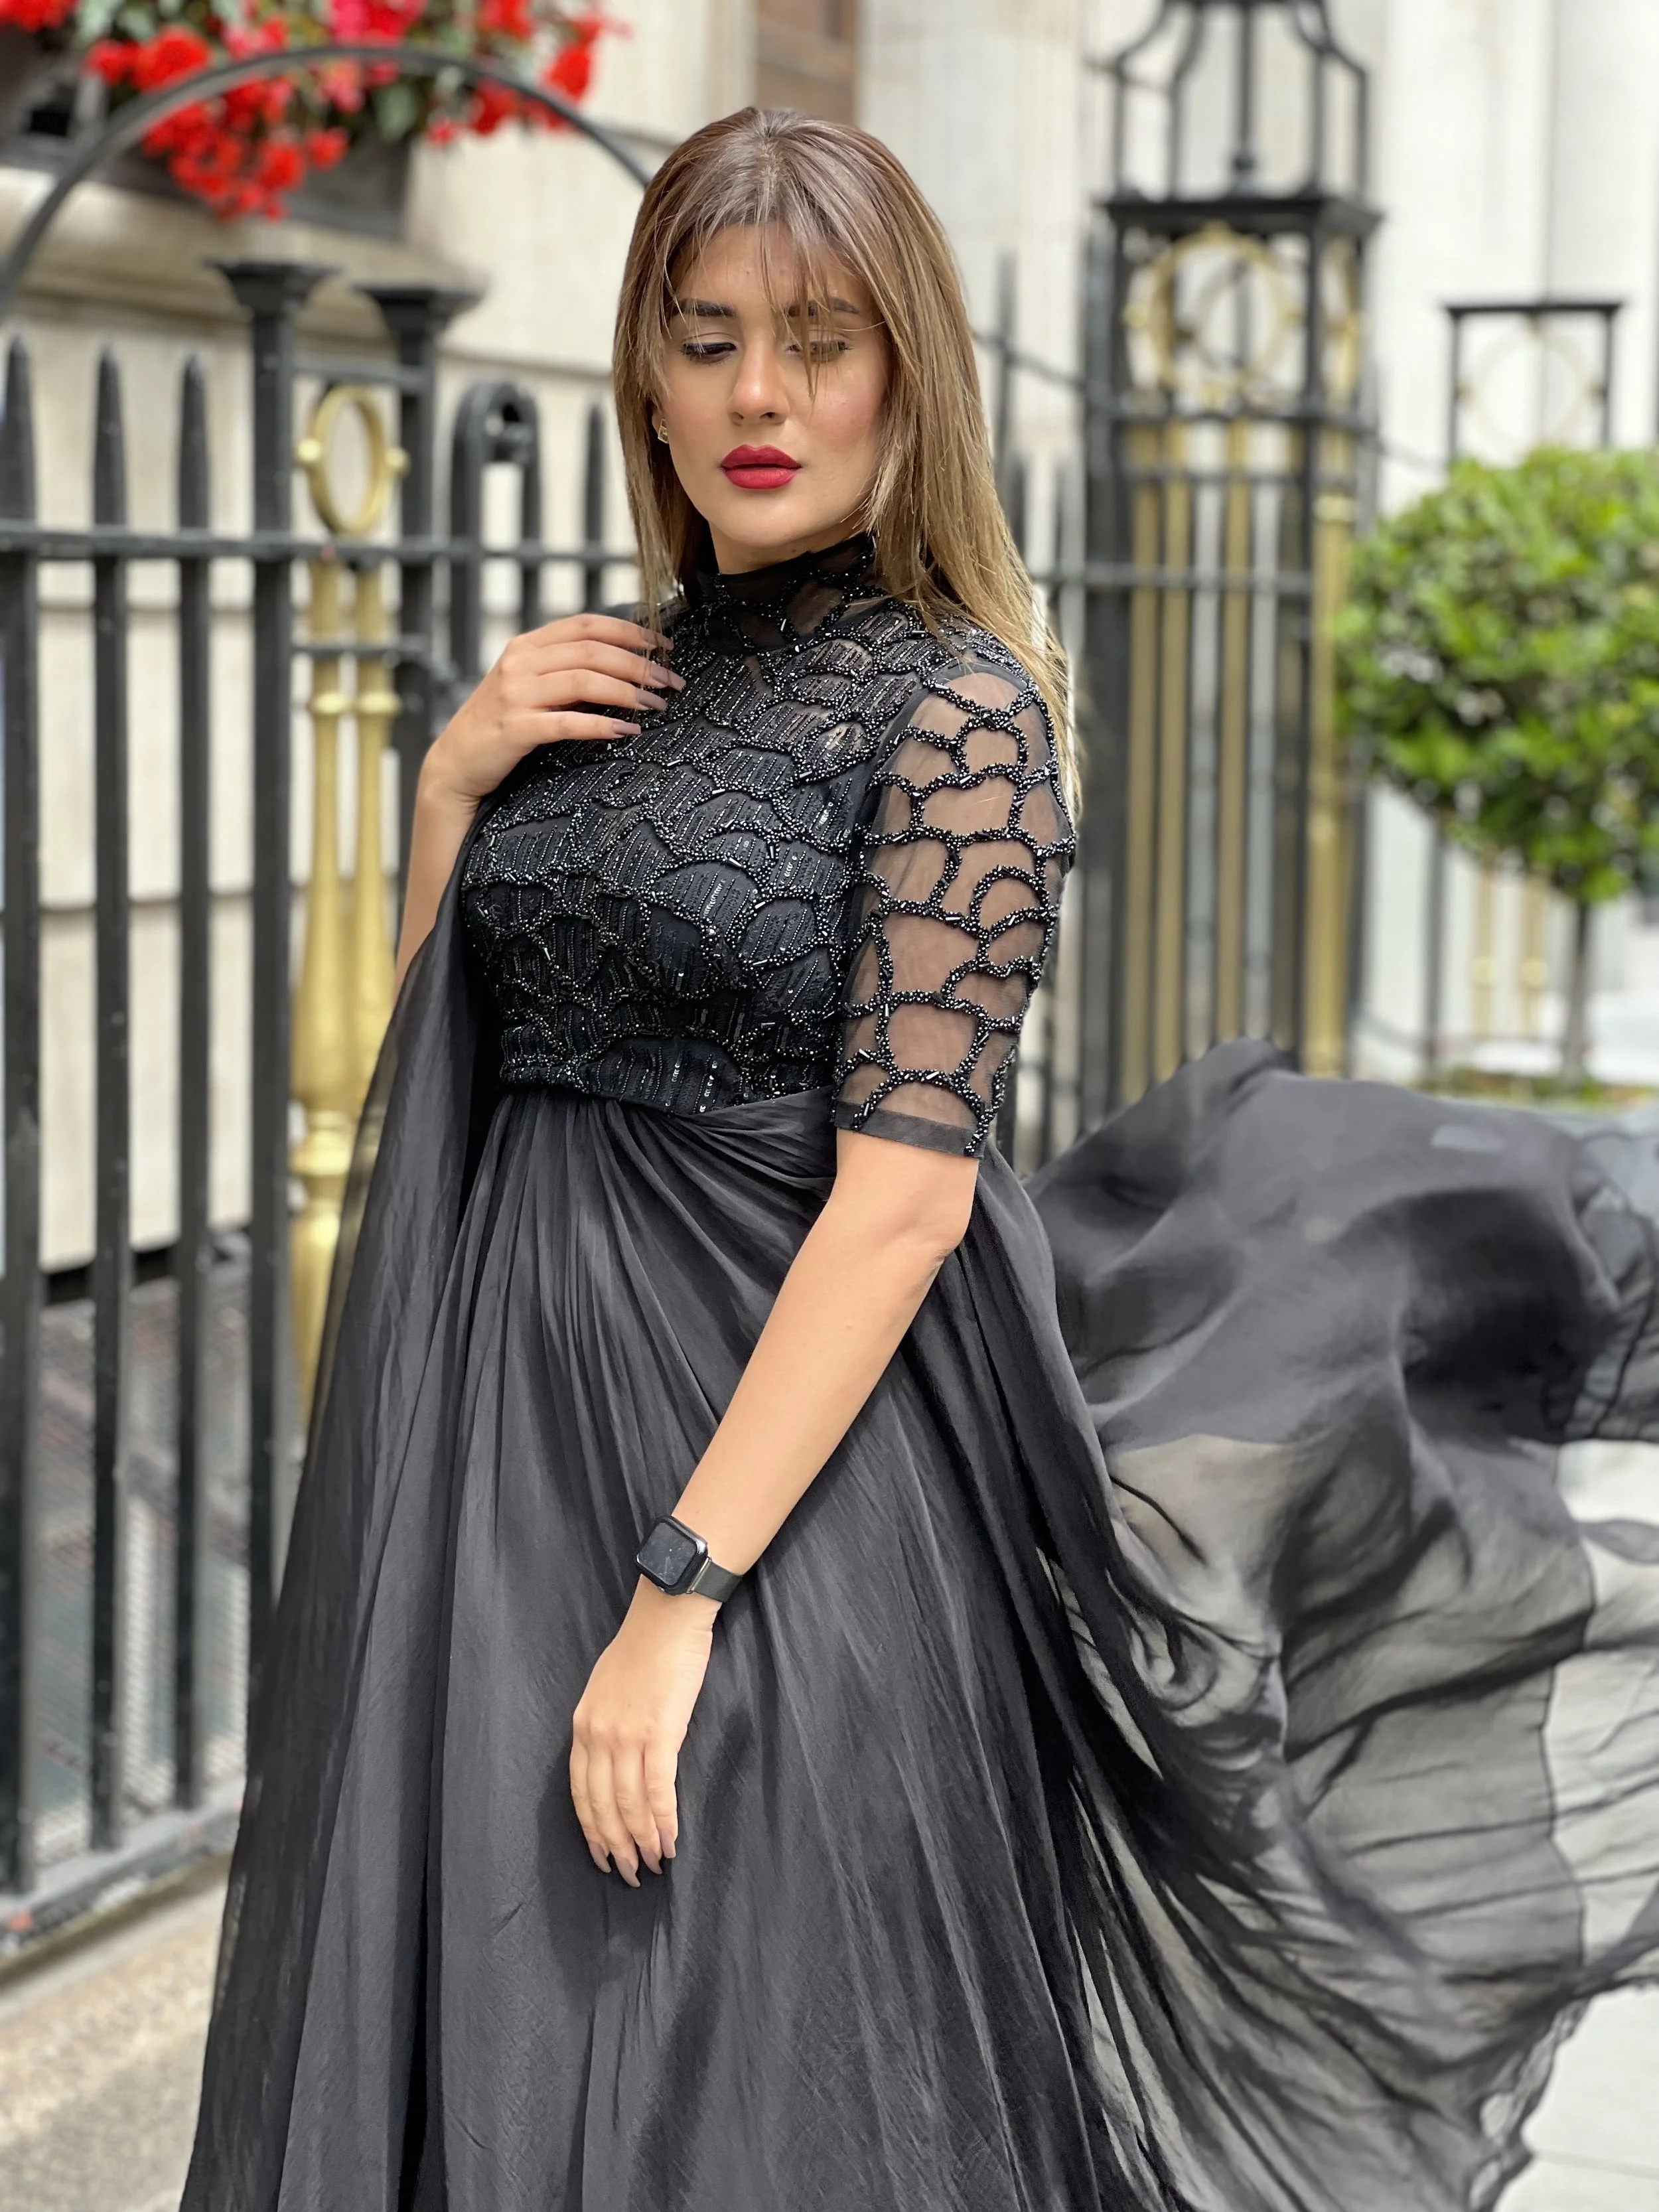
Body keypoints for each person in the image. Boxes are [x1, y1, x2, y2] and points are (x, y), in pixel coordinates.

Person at [184, 107, 1659, 2212]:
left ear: (911, 373)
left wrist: (677, 1595)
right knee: (484, 2061)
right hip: (500, 1454)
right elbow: (446, 1067)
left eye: (818, 337)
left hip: (763, 1490)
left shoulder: (959, 715)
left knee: (712, 2076)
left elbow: (905, 1196)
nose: (758, 395)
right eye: (704, 340)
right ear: (643, 378)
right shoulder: (604, 677)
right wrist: (453, 777)